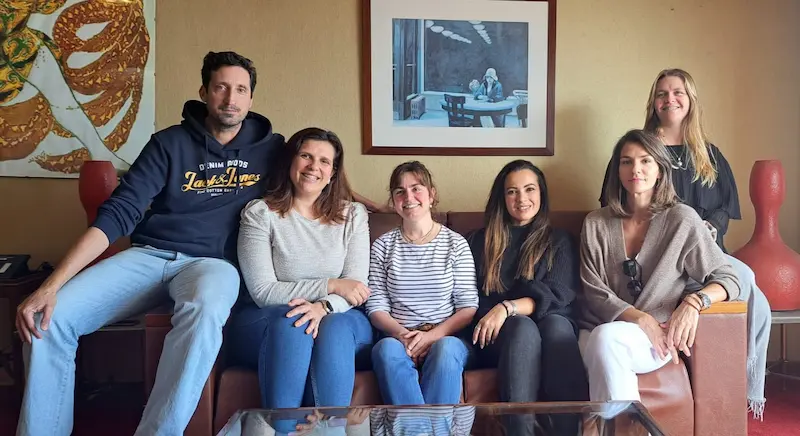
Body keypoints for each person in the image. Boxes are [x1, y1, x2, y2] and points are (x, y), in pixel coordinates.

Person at [14, 51, 284, 436]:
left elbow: (317, 176)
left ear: (251, 98)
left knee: (207, 307)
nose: (231, 98)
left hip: (212, 264)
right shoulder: (168, 144)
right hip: (150, 256)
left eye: (241, 90)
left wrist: (359, 205)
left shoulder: (271, 150)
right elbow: (119, 212)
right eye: (221, 87)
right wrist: (50, 286)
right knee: (49, 319)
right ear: (204, 91)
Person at [599, 68, 771, 417]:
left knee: (755, 295)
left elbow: (723, 209)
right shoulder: (640, 150)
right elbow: (616, 206)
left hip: (704, 251)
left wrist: (706, 229)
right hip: (660, 255)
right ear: (653, 102)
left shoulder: (710, 154)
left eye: (678, 92)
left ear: (690, 100)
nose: (670, 99)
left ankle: (748, 388)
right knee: (746, 279)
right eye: (662, 93)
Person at [580, 129, 741, 404]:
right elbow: (594, 291)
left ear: (660, 170)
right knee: (602, 340)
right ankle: (626, 424)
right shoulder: (595, 223)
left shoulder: (682, 220)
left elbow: (728, 278)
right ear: (617, 170)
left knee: (606, 342)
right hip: (602, 327)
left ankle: (619, 424)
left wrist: (694, 302)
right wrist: (641, 319)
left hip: (656, 338)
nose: (636, 169)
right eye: (626, 161)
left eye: (645, 161)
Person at [226, 128, 373, 418]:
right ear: (290, 161)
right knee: (292, 321)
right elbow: (264, 292)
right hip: (269, 319)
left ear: (332, 173)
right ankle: (285, 428)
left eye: (324, 161)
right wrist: (330, 285)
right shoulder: (260, 213)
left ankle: (331, 430)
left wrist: (324, 306)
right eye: (306, 156)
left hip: (340, 316)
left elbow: (355, 288)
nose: (313, 167)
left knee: (334, 326)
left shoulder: (353, 215)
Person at [466, 160, 588, 435]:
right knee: (522, 327)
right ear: (502, 198)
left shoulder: (559, 240)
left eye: (530, 189)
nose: (522, 198)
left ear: (541, 193)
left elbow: (557, 293)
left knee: (556, 325)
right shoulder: (478, 242)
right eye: (512, 191)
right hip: (496, 337)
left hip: (550, 327)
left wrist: (507, 307)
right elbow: (469, 298)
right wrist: (503, 313)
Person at [366, 161, 479, 406]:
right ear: (394, 200)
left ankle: (421, 426)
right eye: (400, 191)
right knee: (385, 350)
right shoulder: (382, 246)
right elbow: (376, 307)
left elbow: (468, 307)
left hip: (447, 338)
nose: (409, 197)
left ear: (431, 194)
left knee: (446, 350)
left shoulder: (456, 244)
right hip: (399, 338)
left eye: (416, 188)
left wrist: (431, 338)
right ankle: (425, 426)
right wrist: (405, 337)